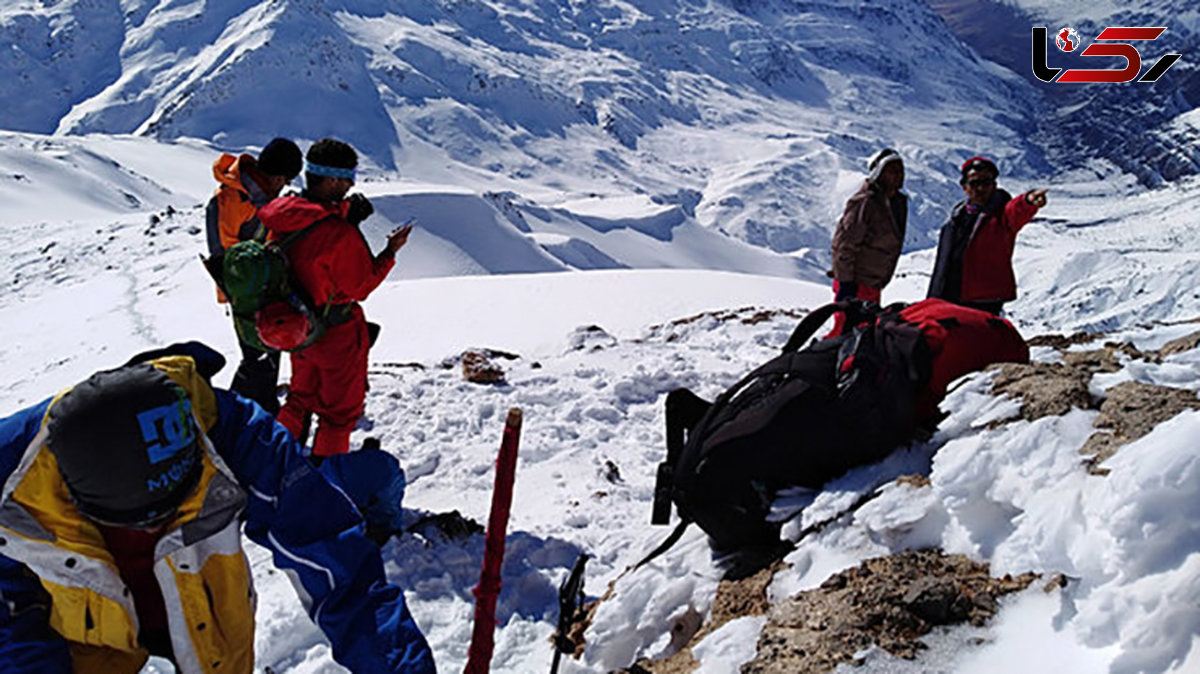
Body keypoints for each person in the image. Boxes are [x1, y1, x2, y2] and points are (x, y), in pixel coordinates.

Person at [0, 342, 435, 673]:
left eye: (178, 511)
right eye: (141, 524)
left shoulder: (235, 436)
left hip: (215, 633)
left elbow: (337, 568)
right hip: (84, 642)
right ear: (70, 492)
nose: (158, 537)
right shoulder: (13, 480)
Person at [258, 139, 413, 457]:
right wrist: (389, 252)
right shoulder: (338, 233)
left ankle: (275, 463)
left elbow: (309, 241)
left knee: (299, 400)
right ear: (331, 179)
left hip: (299, 329)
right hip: (337, 334)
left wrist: (344, 216)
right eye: (347, 179)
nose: (350, 186)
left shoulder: (284, 214)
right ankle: (328, 484)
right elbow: (361, 286)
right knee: (338, 417)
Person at [205, 138, 303, 415]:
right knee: (258, 358)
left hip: (263, 289)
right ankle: (230, 414)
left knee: (267, 354)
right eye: (284, 181)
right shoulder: (231, 199)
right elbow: (226, 255)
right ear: (277, 177)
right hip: (246, 293)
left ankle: (257, 409)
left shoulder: (255, 195)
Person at [927, 156, 1049, 315]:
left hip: (984, 300)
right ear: (964, 187)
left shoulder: (1002, 217)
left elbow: (1016, 211)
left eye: (986, 183)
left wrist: (1028, 200)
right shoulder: (955, 219)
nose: (980, 188)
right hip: (950, 296)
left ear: (994, 186)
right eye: (974, 183)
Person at [828, 147, 908, 336]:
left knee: (863, 330)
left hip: (872, 282)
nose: (898, 175)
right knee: (845, 330)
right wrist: (846, 284)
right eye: (891, 170)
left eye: (900, 170)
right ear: (878, 173)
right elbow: (845, 243)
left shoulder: (896, 202)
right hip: (855, 282)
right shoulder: (865, 203)